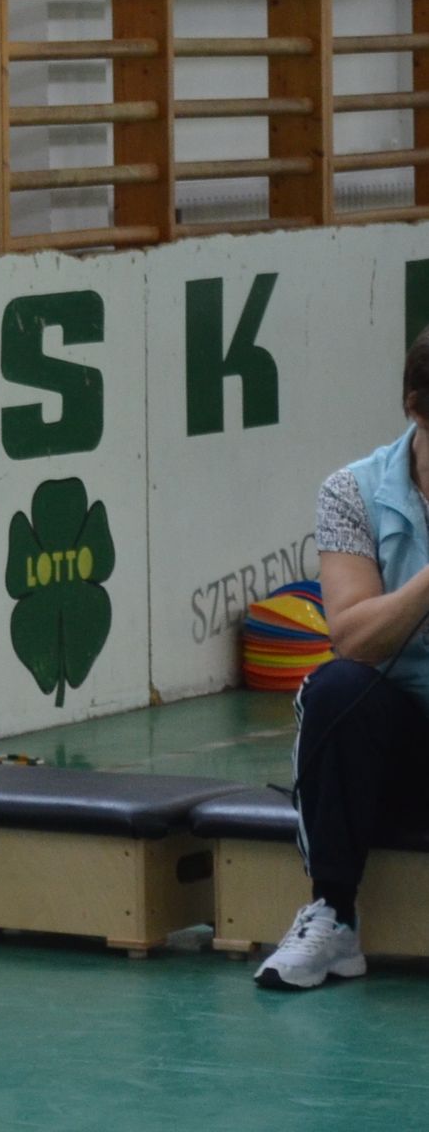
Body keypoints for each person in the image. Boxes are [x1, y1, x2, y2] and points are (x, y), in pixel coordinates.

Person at [255, 328, 429, 990]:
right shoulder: (350, 492)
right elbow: (352, 636)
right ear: (416, 407)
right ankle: (333, 917)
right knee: (336, 689)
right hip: (402, 747)